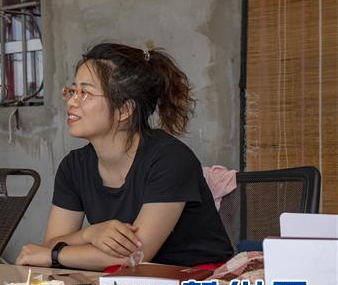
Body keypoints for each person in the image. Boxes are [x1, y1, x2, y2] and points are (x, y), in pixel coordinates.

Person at [17, 43, 234, 271]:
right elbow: (51, 244)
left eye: (85, 93)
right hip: (130, 281)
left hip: (196, 280)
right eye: (72, 91)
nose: (71, 101)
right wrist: (90, 233)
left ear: (124, 110)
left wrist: (56, 254)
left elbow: (134, 256)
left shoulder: (170, 159)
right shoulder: (73, 166)